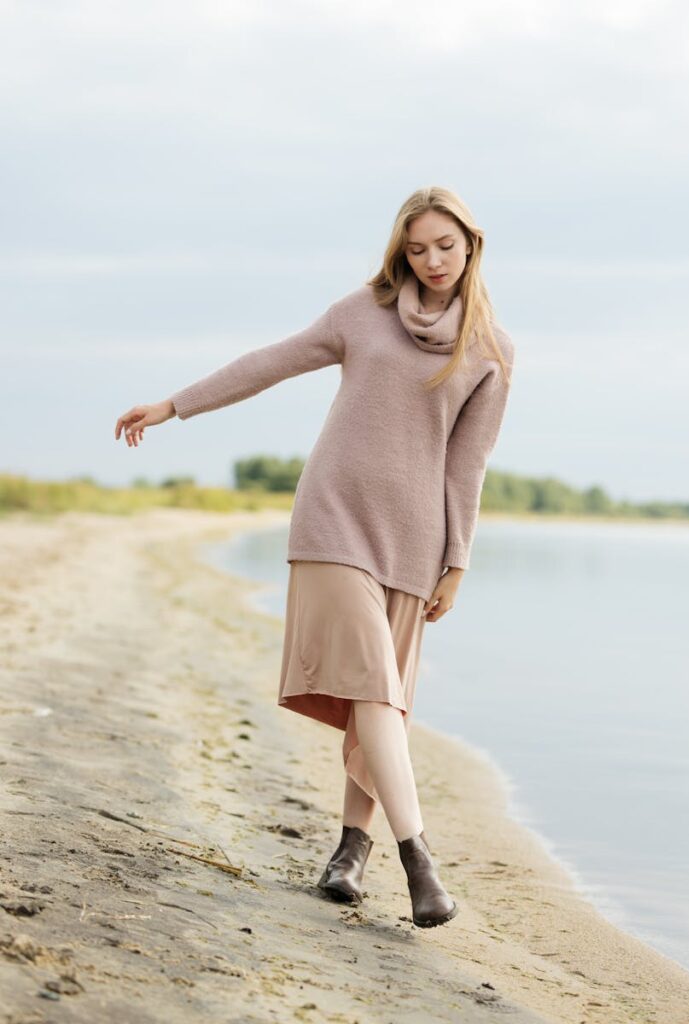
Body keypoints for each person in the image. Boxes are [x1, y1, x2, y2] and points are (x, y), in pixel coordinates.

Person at [114, 185, 515, 928]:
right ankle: (418, 861)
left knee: (382, 702)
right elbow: (271, 362)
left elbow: (468, 466)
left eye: (445, 246)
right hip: (333, 520)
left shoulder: (490, 350)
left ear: (472, 246)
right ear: (402, 249)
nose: (432, 260)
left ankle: (349, 852)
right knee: (373, 685)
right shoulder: (359, 315)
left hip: (414, 542)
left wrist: (456, 561)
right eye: (418, 247)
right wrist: (174, 405)